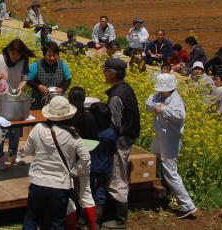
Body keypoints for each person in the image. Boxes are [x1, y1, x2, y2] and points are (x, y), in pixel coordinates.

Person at [21, 96, 95, 230]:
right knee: (57, 222)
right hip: (61, 185)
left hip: (38, 181)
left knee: (31, 218)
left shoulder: (38, 128)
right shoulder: (73, 135)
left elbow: (27, 151)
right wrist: (75, 171)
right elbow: (86, 157)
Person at [145, 73, 197, 219]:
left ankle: (188, 205)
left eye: (162, 89)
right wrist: (157, 106)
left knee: (170, 172)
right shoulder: (159, 96)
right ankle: (155, 192)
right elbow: (147, 104)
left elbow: (180, 116)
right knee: (152, 159)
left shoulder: (176, 100)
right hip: (159, 136)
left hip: (170, 139)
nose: (160, 91)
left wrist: (163, 109)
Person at [0, 39, 36, 170]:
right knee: (0, 130)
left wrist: (20, 87)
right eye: (13, 54)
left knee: (16, 128)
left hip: (14, 100)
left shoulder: (23, 61)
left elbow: (25, 78)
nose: (15, 57)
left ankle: (12, 154)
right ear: (8, 50)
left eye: (18, 55)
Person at [101, 58, 140, 229]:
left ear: (112, 73)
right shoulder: (126, 88)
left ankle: (120, 220)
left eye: (105, 70)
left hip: (120, 142)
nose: (103, 73)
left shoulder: (116, 96)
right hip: (128, 139)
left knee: (118, 179)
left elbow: (115, 125)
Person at [88, 103, 118, 227]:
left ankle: (85, 217)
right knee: (100, 192)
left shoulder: (90, 131)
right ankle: (97, 221)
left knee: (88, 191)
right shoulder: (111, 133)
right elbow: (113, 149)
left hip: (90, 166)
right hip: (105, 167)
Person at [27, 41, 72, 110]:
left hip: (57, 102)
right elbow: (28, 79)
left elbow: (68, 80)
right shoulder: (36, 65)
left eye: (54, 55)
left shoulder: (62, 64)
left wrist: (62, 89)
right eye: (49, 56)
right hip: (39, 101)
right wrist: (38, 86)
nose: (52, 58)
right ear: (44, 55)